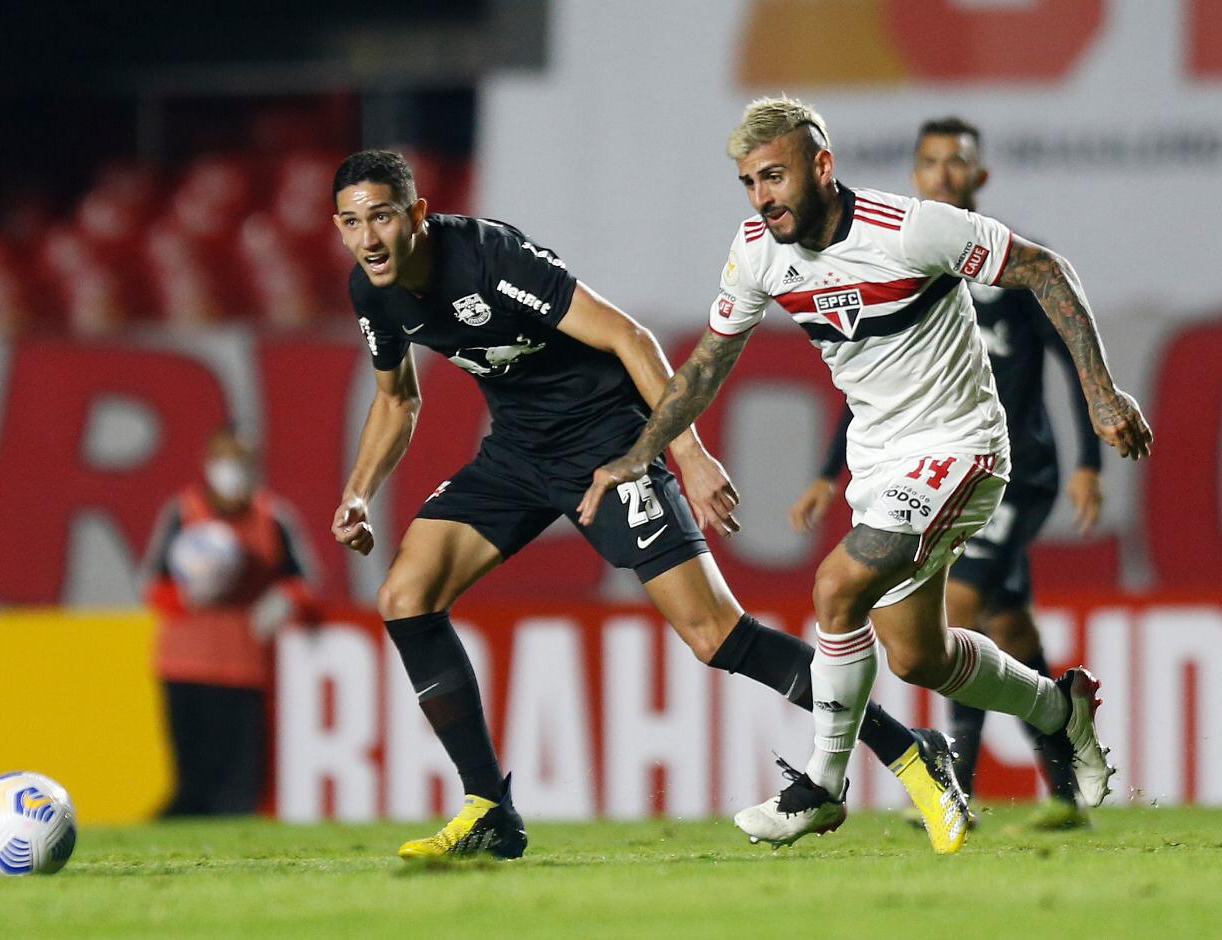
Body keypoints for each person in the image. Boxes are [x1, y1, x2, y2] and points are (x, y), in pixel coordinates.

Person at [328, 149, 975, 862]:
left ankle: (911, 750)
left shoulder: (489, 258)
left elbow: (627, 336)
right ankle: (489, 810)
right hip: (518, 452)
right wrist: (358, 493)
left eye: (383, 217)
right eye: (353, 223)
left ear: (416, 214)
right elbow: (397, 399)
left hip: (609, 442)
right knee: (405, 595)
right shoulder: (373, 292)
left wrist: (688, 456)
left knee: (714, 635)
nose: (369, 239)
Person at [579, 96, 1152, 847]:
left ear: (822, 165)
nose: (764, 197)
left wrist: (1103, 394)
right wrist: (640, 453)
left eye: (776, 176)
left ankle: (821, 784)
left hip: (962, 445)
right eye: (750, 182)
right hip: (879, 462)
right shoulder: (757, 251)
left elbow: (1047, 270)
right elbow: (708, 364)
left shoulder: (912, 229)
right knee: (919, 655)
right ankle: (1059, 709)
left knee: (835, 587)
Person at [788, 118, 1104, 830]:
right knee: (1009, 626)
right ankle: (1065, 785)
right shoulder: (912, 258)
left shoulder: (1005, 263)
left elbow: (1065, 355)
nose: (941, 175)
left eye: (955, 164)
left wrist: (1088, 460)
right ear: (917, 172)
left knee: (955, 610)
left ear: (978, 177)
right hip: (933, 465)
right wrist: (828, 472)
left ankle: (954, 775)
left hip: (1012, 472)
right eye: (929, 163)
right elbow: (879, 382)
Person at [144, 426, 317, 816]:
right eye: (225, 460)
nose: (232, 470)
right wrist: (188, 594)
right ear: (208, 465)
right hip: (184, 665)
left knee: (238, 785)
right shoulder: (183, 512)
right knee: (193, 779)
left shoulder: (273, 517)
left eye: (241, 461)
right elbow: (154, 587)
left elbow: (302, 582)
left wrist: (283, 602)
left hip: (243, 667)